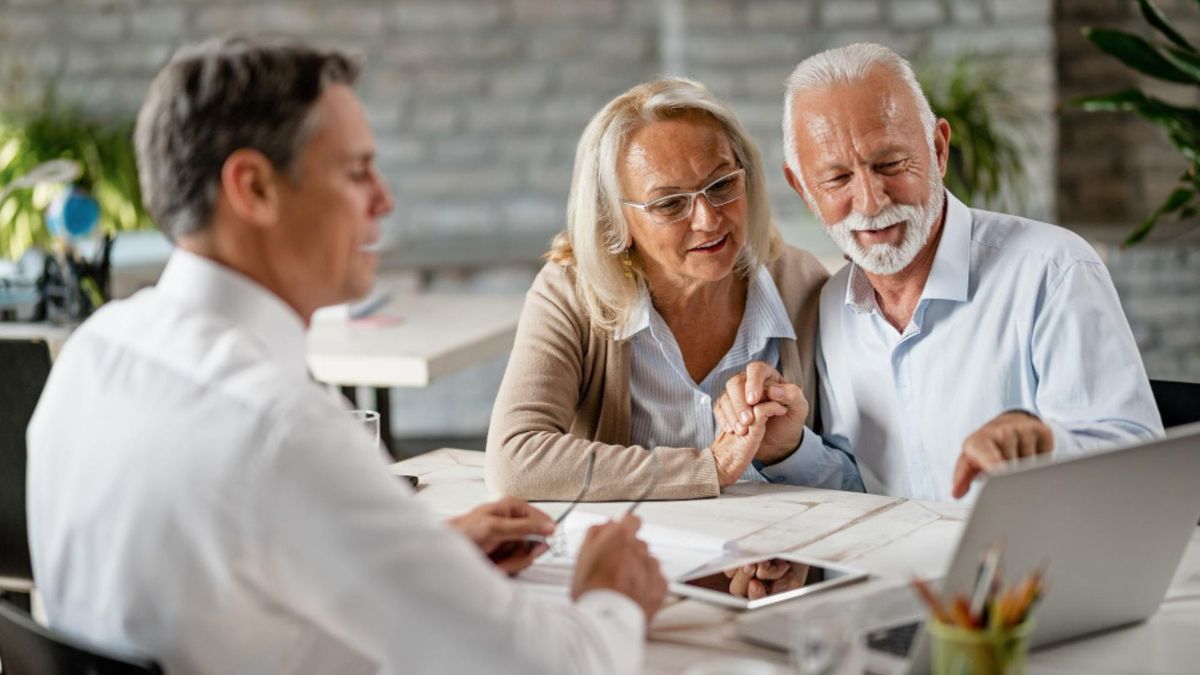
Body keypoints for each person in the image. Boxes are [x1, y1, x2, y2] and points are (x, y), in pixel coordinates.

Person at [26, 36, 666, 675]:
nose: (383, 200)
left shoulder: (93, 354)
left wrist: (417, 557)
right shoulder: (281, 427)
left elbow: (207, 583)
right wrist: (611, 594)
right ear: (253, 188)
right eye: (357, 171)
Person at [716, 43, 1163, 503]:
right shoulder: (832, 305)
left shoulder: (1053, 269)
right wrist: (789, 449)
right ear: (804, 190)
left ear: (938, 149)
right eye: (837, 180)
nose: (871, 202)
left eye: (890, 164)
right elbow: (866, 491)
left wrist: (1042, 445)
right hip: (900, 572)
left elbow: (1140, 467)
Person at [484, 78, 862, 502]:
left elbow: (858, 480)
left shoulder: (804, 284)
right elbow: (515, 461)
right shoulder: (571, 293)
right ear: (616, 223)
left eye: (721, 186)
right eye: (668, 203)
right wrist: (710, 468)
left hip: (773, 556)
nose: (707, 219)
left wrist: (789, 451)